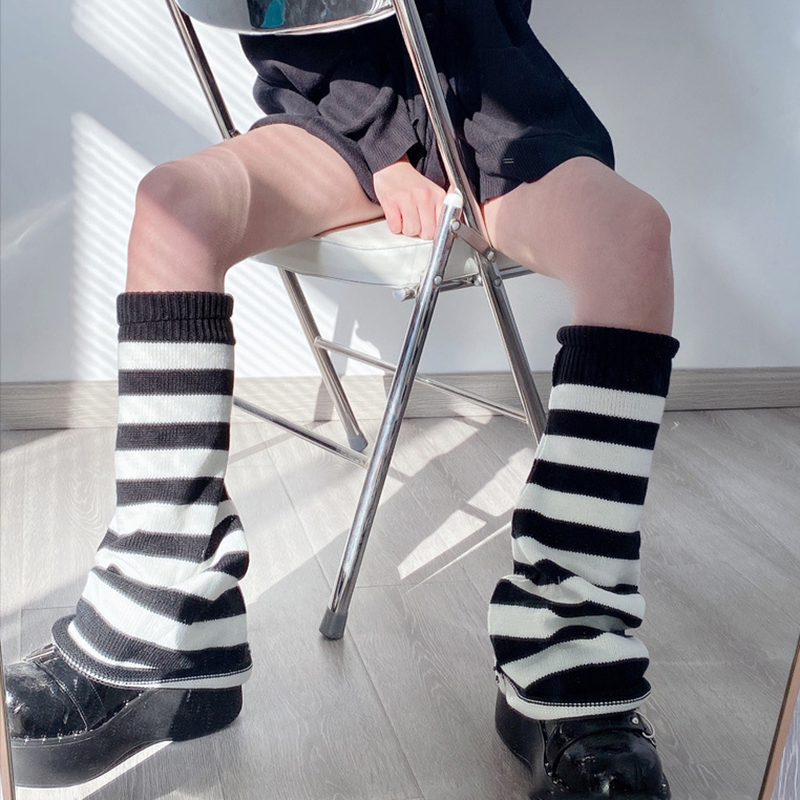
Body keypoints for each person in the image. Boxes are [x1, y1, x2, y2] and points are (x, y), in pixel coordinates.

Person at [4, 1, 678, 796]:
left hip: (494, 120)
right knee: (171, 206)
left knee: (634, 235)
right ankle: (162, 619)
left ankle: (568, 654)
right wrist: (385, 147)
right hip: (334, 125)